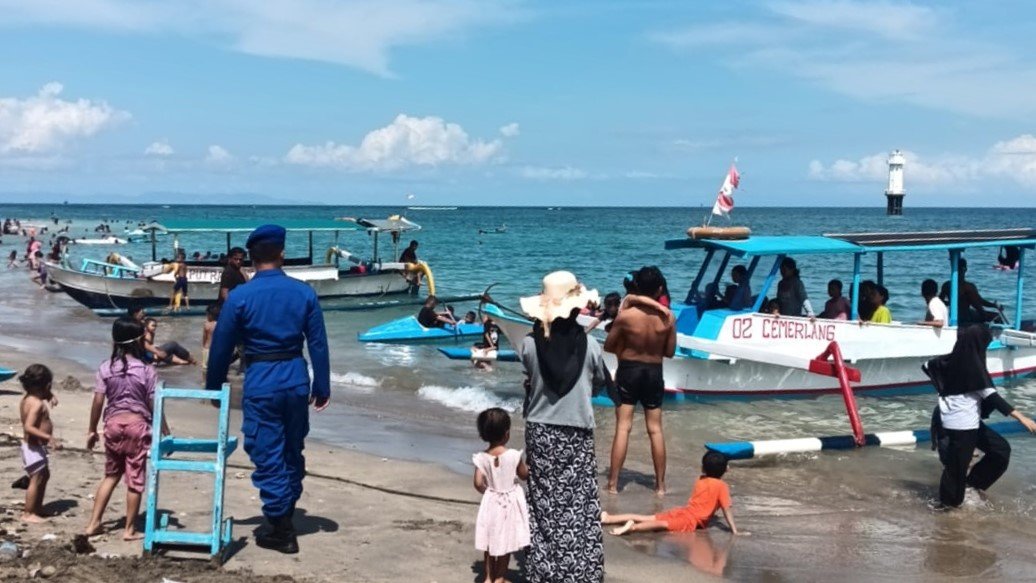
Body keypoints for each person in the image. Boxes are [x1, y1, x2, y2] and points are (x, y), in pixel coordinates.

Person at [206, 224, 330, 554]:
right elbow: (317, 342)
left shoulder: (240, 297)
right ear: (282, 254)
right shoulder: (304, 292)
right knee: (292, 445)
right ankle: (284, 509)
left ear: (250, 258)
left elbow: (221, 346)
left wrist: (214, 384)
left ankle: (281, 525)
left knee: (265, 447)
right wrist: (323, 385)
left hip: (262, 375)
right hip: (295, 375)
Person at [518, 271, 609, 583]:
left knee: (544, 502)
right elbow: (598, 385)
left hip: (540, 429)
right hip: (577, 430)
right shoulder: (592, 347)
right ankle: (579, 570)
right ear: (575, 308)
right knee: (579, 501)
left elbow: (531, 379)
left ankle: (544, 570)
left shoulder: (529, 344)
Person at [923, 326, 1036, 508]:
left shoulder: (947, 362)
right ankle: (946, 510)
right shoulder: (972, 369)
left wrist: (948, 391)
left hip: (966, 421)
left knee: (1000, 450)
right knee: (956, 469)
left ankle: (973, 484)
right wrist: (1023, 419)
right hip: (961, 425)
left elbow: (927, 366)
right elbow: (994, 399)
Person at [85, 319, 169, 540]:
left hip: (112, 425)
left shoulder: (106, 367)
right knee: (135, 478)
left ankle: (94, 523)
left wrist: (92, 429)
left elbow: (97, 401)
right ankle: (129, 529)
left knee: (111, 475)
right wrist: (165, 430)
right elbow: (153, 404)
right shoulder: (146, 370)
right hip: (137, 426)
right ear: (140, 341)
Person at [605, 266, 676, 496]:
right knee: (655, 430)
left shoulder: (626, 316)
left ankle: (613, 484)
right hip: (654, 371)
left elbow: (608, 345)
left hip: (629, 370)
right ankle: (661, 486)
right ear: (659, 289)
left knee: (623, 427)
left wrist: (625, 349)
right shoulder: (667, 318)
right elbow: (670, 352)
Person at [601, 451, 744, 536]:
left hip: (682, 511)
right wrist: (734, 530)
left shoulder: (701, 479)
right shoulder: (722, 486)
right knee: (662, 524)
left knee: (646, 517)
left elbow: (703, 501)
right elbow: (726, 510)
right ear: (726, 469)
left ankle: (609, 518)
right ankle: (632, 527)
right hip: (690, 520)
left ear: (703, 468)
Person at [472, 408, 530, 583]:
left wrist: (488, 491)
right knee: (506, 542)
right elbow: (524, 475)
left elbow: (477, 482)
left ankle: (488, 577)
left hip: (491, 502)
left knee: (490, 542)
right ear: (507, 434)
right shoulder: (513, 455)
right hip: (509, 504)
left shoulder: (481, 457)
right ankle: (500, 577)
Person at [19, 364, 59, 523]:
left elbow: (41, 394)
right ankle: (28, 513)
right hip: (33, 448)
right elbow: (28, 427)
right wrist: (48, 437)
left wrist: (49, 395)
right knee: (36, 478)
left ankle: (37, 507)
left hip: (34, 447)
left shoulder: (28, 398)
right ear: (46, 385)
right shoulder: (36, 404)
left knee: (44, 475)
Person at [956, 259, 1002, 324]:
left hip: (956, 315)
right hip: (966, 316)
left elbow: (941, 301)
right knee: (997, 316)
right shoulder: (969, 287)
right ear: (965, 269)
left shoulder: (947, 285)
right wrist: (993, 306)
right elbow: (979, 302)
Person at [201, 304, 220, 374]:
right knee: (215, 368)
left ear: (210, 315)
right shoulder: (219, 324)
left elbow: (204, 337)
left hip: (207, 349)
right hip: (216, 349)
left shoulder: (206, 324)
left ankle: (204, 382)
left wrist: (203, 347)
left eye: (207, 314)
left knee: (205, 368)